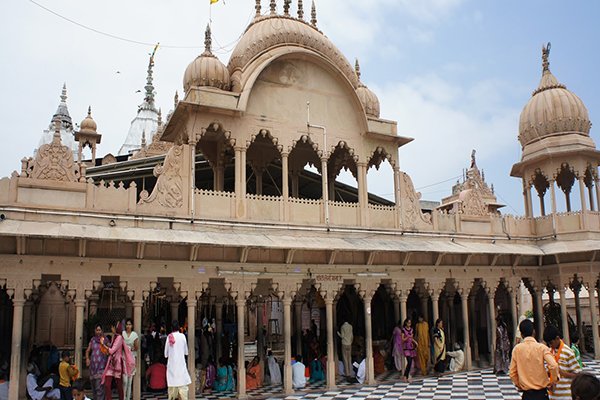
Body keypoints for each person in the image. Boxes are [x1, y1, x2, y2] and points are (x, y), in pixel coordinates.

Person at [509, 319, 559, 400]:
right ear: (534, 332)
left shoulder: (517, 349)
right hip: (542, 393)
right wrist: (553, 382)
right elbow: (553, 365)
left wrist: (519, 384)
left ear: (521, 335)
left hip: (527, 394)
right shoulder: (542, 348)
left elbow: (512, 373)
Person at [543, 325, 582, 400]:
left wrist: (562, 373)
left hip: (566, 395)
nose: (550, 345)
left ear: (557, 338)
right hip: (552, 395)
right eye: (548, 344)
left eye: (551, 343)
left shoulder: (568, 352)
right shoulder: (549, 352)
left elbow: (578, 375)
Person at [102, 320, 135, 400]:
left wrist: (103, 345)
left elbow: (112, 350)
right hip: (111, 363)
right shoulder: (114, 336)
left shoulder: (119, 337)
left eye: (113, 327)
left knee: (119, 385)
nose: (111, 328)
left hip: (117, 364)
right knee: (107, 384)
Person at [164, 320, 192, 400]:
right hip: (181, 368)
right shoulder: (182, 336)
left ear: (171, 328)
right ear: (179, 327)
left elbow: (166, 354)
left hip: (172, 369)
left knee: (172, 394)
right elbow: (186, 352)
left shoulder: (169, 337)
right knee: (184, 395)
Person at [85, 323, 109, 400]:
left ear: (102, 331)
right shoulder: (92, 340)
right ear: (95, 331)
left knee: (100, 389)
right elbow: (87, 351)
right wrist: (87, 359)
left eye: (99, 330)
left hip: (101, 368)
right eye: (97, 330)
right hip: (93, 368)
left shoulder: (105, 340)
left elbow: (110, 350)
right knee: (94, 389)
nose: (98, 332)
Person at [122, 318, 139, 400]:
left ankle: (128, 398)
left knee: (130, 381)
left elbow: (136, 347)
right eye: (127, 324)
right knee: (124, 380)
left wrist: (130, 349)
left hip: (131, 358)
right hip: (124, 358)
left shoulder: (134, 335)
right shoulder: (123, 334)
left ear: (132, 326)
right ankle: (124, 397)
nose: (128, 326)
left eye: (130, 324)